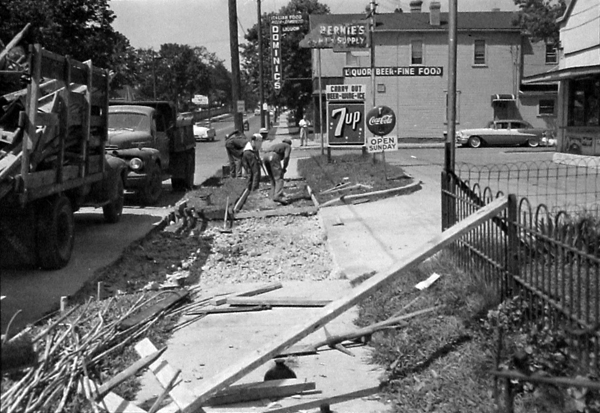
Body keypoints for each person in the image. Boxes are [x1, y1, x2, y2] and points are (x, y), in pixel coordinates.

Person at [262, 138, 292, 203]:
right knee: (279, 178)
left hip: (265, 157)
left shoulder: (278, 145)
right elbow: (286, 157)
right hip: (273, 156)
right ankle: (278, 196)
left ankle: (272, 195)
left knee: (272, 178)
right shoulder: (288, 146)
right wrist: (284, 168)